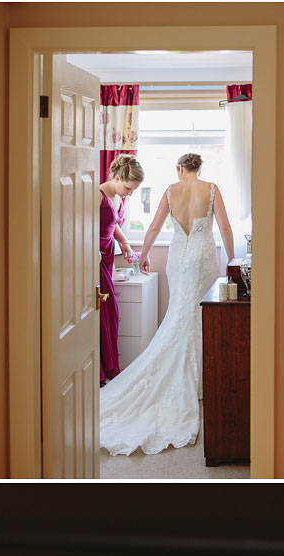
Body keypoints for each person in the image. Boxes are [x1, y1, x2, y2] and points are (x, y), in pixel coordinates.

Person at [97, 154, 235, 456]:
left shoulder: (170, 190)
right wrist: (233, 262)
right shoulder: (211, 189)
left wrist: (143, 256)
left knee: (179, 316)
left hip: (178, 258)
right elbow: (224, 228)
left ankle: (192, 376)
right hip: (201, 259)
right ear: (199, 169)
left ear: (180, 169)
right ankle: (201, 379)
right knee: (199, 316)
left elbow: (153, 229)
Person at [100, 156, 145, 384]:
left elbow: (114, 223)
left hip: (108, 256)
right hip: (95, 258)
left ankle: (108, 369)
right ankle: (101, 371)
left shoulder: (117, 197)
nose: (130, 193)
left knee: (111, 314)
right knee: (103, 314)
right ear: (117, 178)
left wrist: (125, 242)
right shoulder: (96, 195)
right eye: (128, 188)